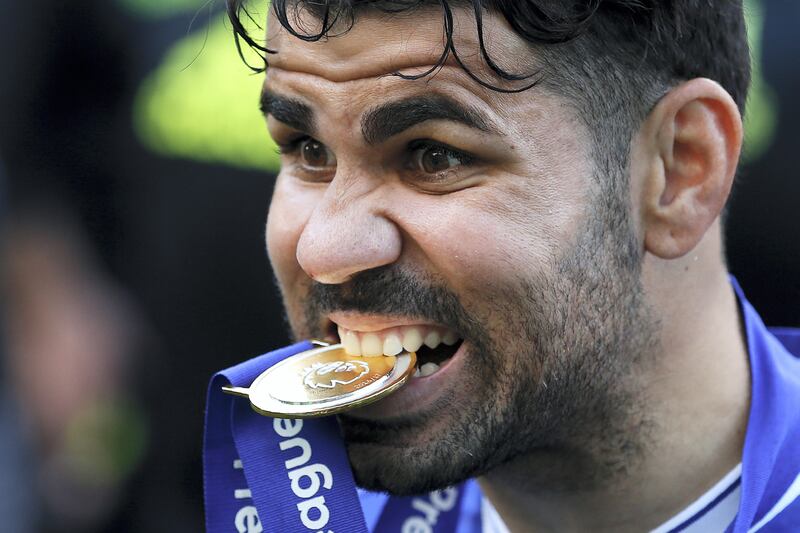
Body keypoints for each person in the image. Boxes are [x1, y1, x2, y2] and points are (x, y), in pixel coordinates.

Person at [223, 1, 800, 530]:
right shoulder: (300, 507)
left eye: (435, 157)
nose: (323, 251)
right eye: (308, 150)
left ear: (679, 171)